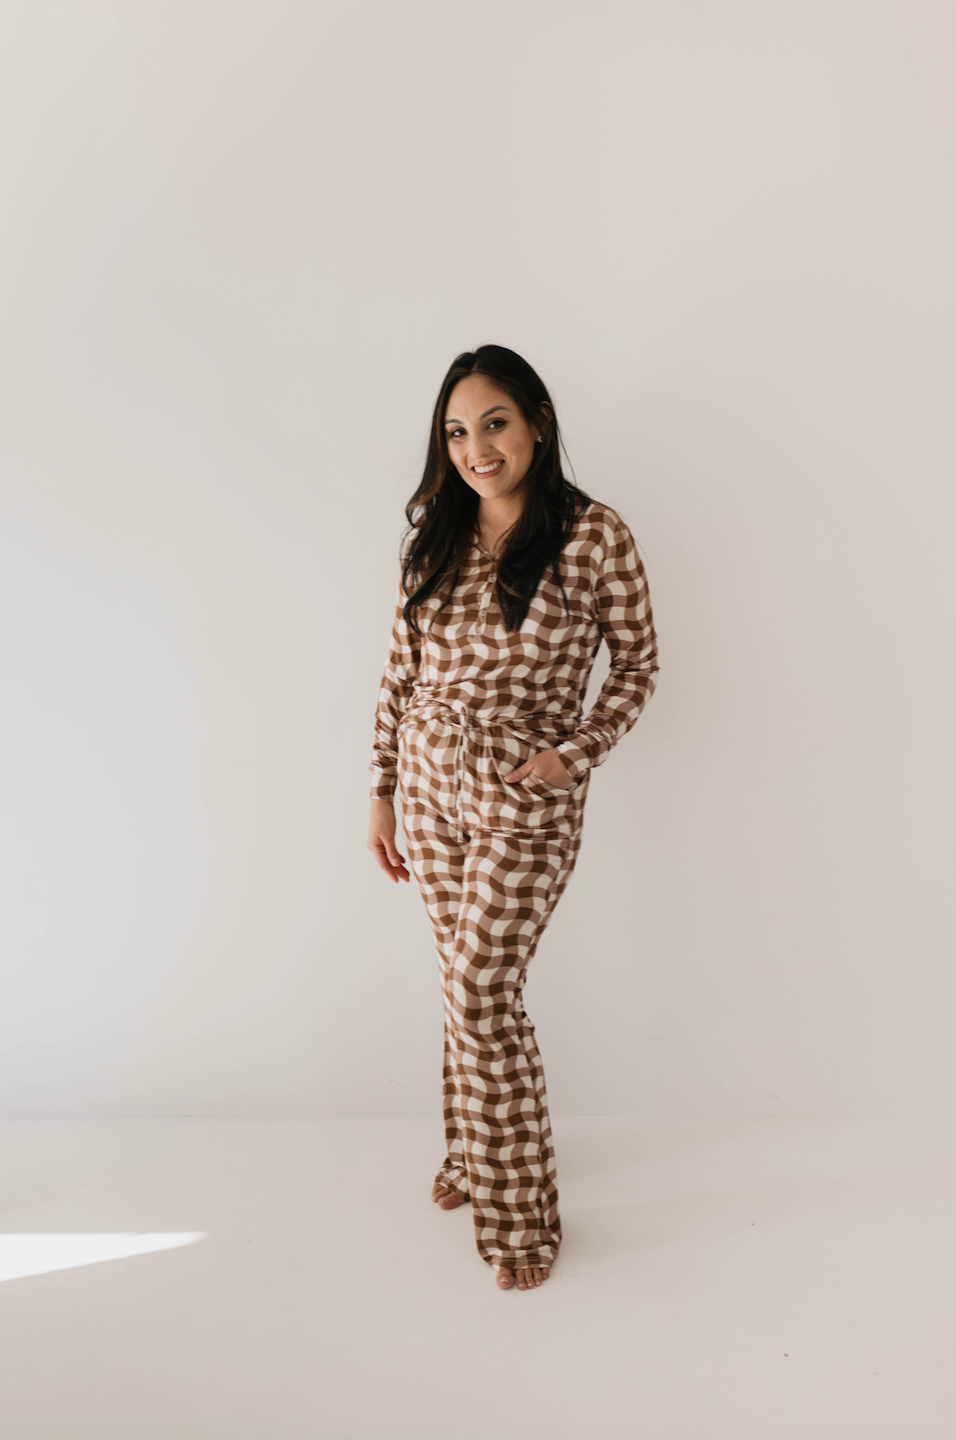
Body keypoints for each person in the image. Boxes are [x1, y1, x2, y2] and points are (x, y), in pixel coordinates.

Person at [367, 344, 659, 1294]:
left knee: (482, 995)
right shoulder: (435, 538)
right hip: (428, 781)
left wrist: (570, 756)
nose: (476, 446)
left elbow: (640, 668)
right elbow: (398, 675)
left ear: (536, 420)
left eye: (494, 422)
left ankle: (521, 1215)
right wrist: (381, 789)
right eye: (456, 431)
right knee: (462, 985)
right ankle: (469, 1156)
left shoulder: (592, 536)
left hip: (522, 795)